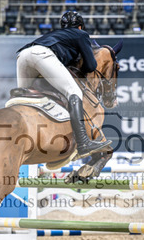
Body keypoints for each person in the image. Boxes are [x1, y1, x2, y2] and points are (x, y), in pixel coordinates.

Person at [16, 10, 111, 160]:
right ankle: (83, 143)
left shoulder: (57, 34)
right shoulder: (81, 34)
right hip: (42, 56)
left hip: (23, 56)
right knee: (74, 92)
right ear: (80, 27)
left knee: (23, 97)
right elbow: (91, 65)